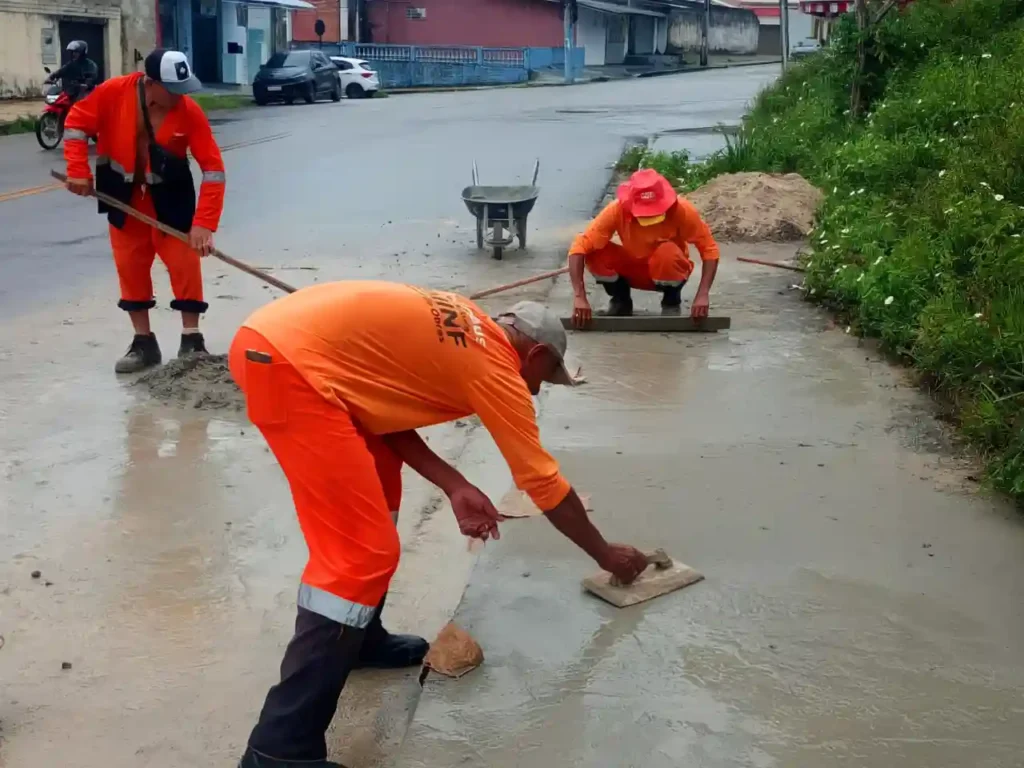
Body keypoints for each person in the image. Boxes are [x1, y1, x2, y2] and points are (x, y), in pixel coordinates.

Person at [228, 281, 650, 768]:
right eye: (545, 378)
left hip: (288, 349)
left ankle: (361, 640)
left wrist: (454, 484)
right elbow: (543, 483)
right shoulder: (497, 368)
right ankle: (279, 750)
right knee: (360, 554)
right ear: (534, 353)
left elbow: (377, 408)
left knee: (381, 499)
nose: (536, 390)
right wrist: (606, 555)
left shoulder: (471, 325)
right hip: (288, 367)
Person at [62, 48, 226, 373]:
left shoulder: (189, 112)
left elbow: (213, 170)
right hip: (122, 196)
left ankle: (192, 340)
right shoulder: (113, 93)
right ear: (151, 83)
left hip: (171, 196)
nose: (180, 97)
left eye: (183, 89)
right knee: (130, 266)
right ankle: (143, 343)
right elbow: (76, 123)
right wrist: (77, 170)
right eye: (173, 90)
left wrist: (204, 223)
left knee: (184, 263)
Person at [568, 168, 720, 327]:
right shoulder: (616, 210)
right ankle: (621, 300)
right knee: (595, 252)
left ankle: (671, 301)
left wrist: (703, 294)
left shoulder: (682, 210)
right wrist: (579, 297)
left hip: (668, 270)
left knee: (667, 252)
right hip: (633, 269)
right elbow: (579, 247)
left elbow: (709, 249)